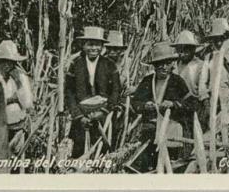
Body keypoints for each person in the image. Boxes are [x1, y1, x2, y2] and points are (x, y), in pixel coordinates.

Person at [131, 41, 195, 172]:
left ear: (172, 64)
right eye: (160, 64)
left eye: (167, 63)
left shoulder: (177, 81)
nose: (164, 67)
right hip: (150, 129)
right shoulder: (147, 81)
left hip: (171, 129)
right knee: (148, 164)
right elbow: (135, 102)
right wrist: (144, 106)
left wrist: (173, 105)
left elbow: (191, 104)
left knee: (170, 165)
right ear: (154, 66)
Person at [65, 26, 121, 158]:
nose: (93, 48)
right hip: (82, 117)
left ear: (102, 47)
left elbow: (116, 91)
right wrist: (79, 117)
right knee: (79, 153)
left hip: (104, 117)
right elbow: (69, 93)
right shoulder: (75, 65)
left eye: (97, 45)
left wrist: (103, 112)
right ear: (83, 45)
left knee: (103, 153)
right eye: (90, 44)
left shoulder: (109, 64)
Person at [0, 40, 33, 148]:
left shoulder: (21, 78)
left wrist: (18, 83)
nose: (8, 65)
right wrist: (11, 100)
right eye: (4, 61)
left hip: (18, 128)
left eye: (11, 62)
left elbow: (27, 104)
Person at [198, 18, 229, 128]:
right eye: (215, 39)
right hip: (215, 102)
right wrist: (206, 101)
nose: (218, 43)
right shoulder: (209, 57)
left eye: (221, 39)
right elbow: (202, 83)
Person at [172, 30, 204, 98]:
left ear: (193, 50)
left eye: (186, 51)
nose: (182, 54)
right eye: (180, 51)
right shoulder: (174, 65)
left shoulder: (200, 66)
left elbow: (203, 93)